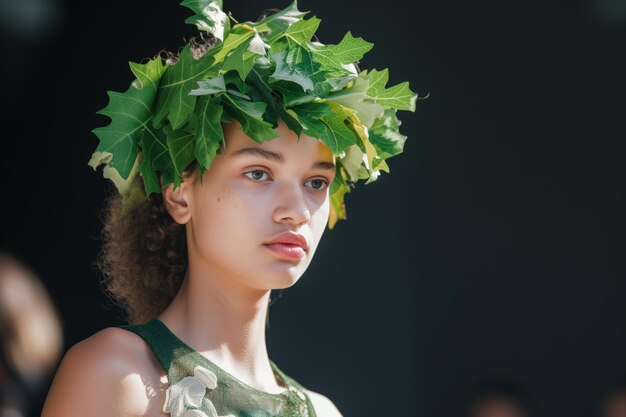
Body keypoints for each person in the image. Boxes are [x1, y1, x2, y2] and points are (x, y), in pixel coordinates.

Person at [41, 1, 419, 416]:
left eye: (316, 182)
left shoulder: (324, 412)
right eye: (258, 173)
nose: (297, 211)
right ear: (179, 193)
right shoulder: (117, 375)